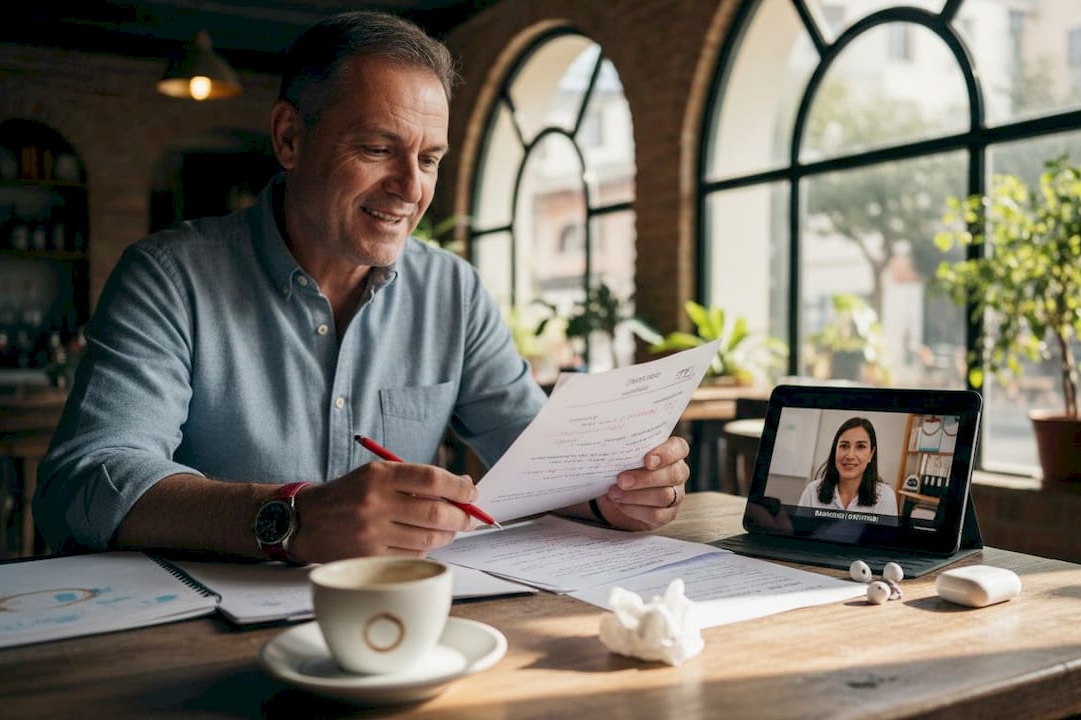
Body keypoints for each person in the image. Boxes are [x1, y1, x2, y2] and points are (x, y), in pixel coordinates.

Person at [34, 10, 690, 564]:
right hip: (195, 637)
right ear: (290, 138)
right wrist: (291, 517)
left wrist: (613, 488)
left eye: (429, 158)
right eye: (378, 148)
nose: (412, 188)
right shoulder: (168, 276)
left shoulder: (452, 292)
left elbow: (537, 458)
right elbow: (85, 483)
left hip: (402, 625)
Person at [797, 417, 898, 516]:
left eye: (860, 447)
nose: (850, 456)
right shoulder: (812, 491)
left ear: (871, 454)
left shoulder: (885, 497)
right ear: (835, 451)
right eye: (844, 446)